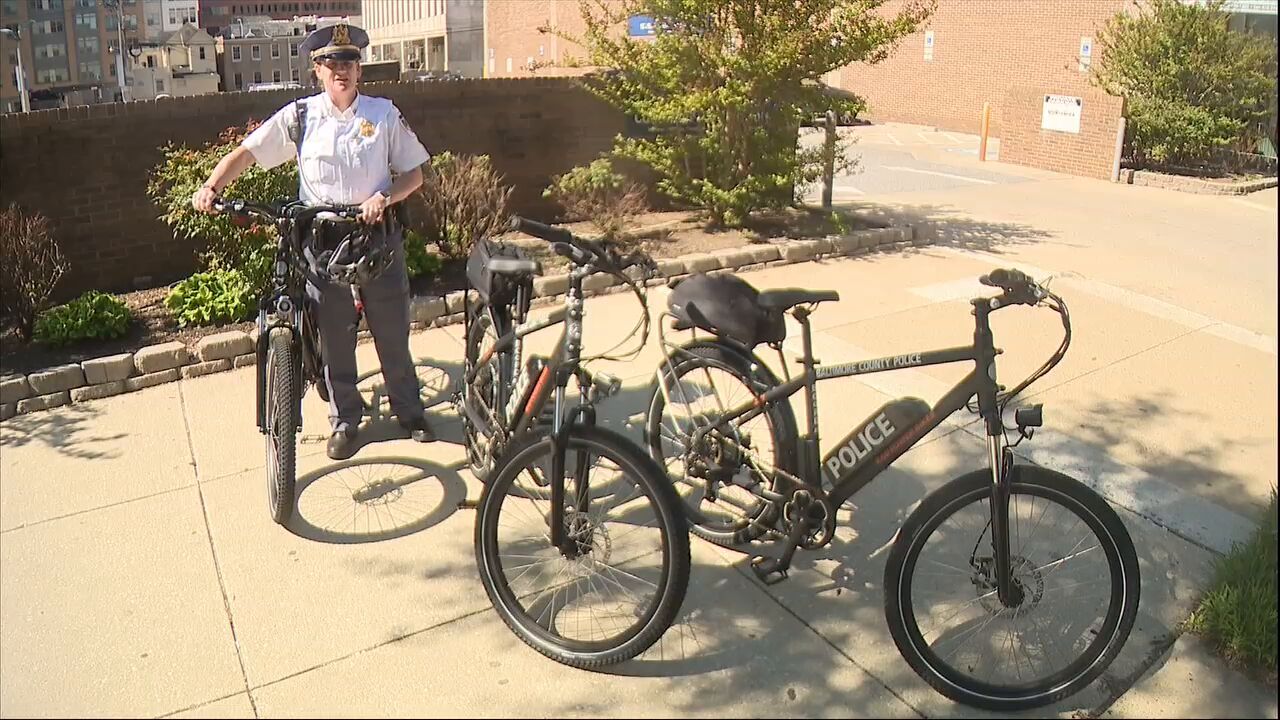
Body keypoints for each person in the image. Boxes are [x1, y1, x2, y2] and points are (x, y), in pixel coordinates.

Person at [192, 22, 435, 460]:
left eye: (349, 61)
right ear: (317, 70)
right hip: (323, 243)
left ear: (359, 69)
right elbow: (247, 152)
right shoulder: (301, 116)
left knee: (391, 329)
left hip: (375, 237)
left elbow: (414, 174)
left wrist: (384, 196)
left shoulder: (382, 115)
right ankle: (346, 420)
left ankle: (409, 409)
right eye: (331, 62)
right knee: (334, 337)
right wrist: (211, 186)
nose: (341, 70)